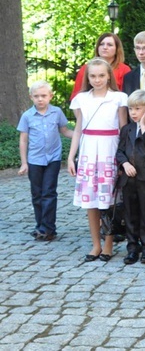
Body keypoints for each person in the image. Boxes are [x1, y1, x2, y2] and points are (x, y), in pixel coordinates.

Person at [66, 58, 129, 262]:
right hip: (88, 152)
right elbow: (78, 129)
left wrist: (122, 158)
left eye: (101, 75)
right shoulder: (81, 99)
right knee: (90, 202)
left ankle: (109, 243)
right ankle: (95, 244)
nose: (97, 79)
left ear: (109, 75)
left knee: (108, 201)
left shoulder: (119, 98)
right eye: (93, 76)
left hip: (109, 150)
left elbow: (123, 129)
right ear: (88, 77)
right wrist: (71, 156)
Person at [17, 80, 73, 241]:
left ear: (50, 96)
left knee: (48, 192)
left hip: (53, 159)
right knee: (37, 194)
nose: (40, 99)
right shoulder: (27, 116)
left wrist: (81, 135)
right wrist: (24, 162)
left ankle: (48, 228)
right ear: (31, 97)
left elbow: (64, 130)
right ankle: (40, 225)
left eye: (43, 96)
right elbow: (23, 140)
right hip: (34, 160)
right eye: (36, 96)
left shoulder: (56, 112)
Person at [115, 90, 145, 265]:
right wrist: (125, 164)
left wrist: (143, 125)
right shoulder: (127, 129)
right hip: (128, 179)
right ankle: (133, 248)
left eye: (138, 109)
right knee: (130, 214)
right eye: (131, 109)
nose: (133, 113)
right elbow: (119, 151)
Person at [70, 33, 131, 99]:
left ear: (117, 49)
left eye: (109, 45)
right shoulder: (85, 68)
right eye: (101, 44)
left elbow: (127, 98)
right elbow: (76, 97)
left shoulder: (124, 70)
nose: (105, 47)